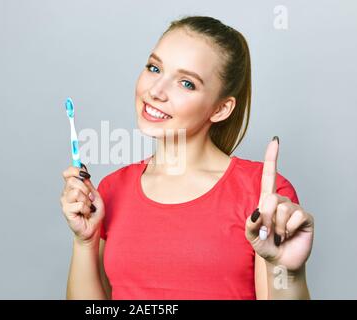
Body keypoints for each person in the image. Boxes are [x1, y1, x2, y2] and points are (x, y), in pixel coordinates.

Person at [60, 16, 314, 300]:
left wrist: (288, 274)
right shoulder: (111, 189)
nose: (155, 91)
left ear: (220, 109)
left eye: (186, 83)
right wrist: (85, 242)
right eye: (154, 68)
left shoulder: (263, 195)